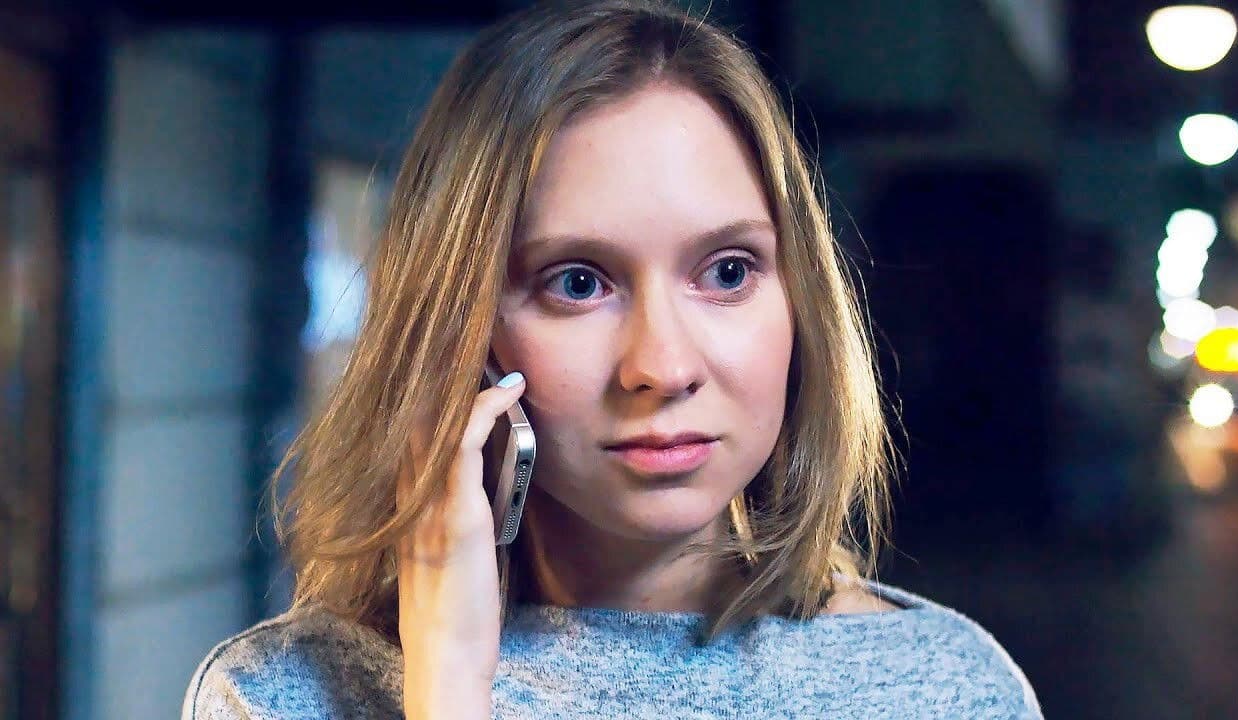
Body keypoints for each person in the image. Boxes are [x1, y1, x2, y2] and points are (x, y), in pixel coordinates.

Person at [184, 1, 1043, 717]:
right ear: (460, 331)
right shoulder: (282, 697)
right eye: (578, 283)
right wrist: (447, 687)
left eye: (728, 272)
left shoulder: (945, 690)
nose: (662, 367)